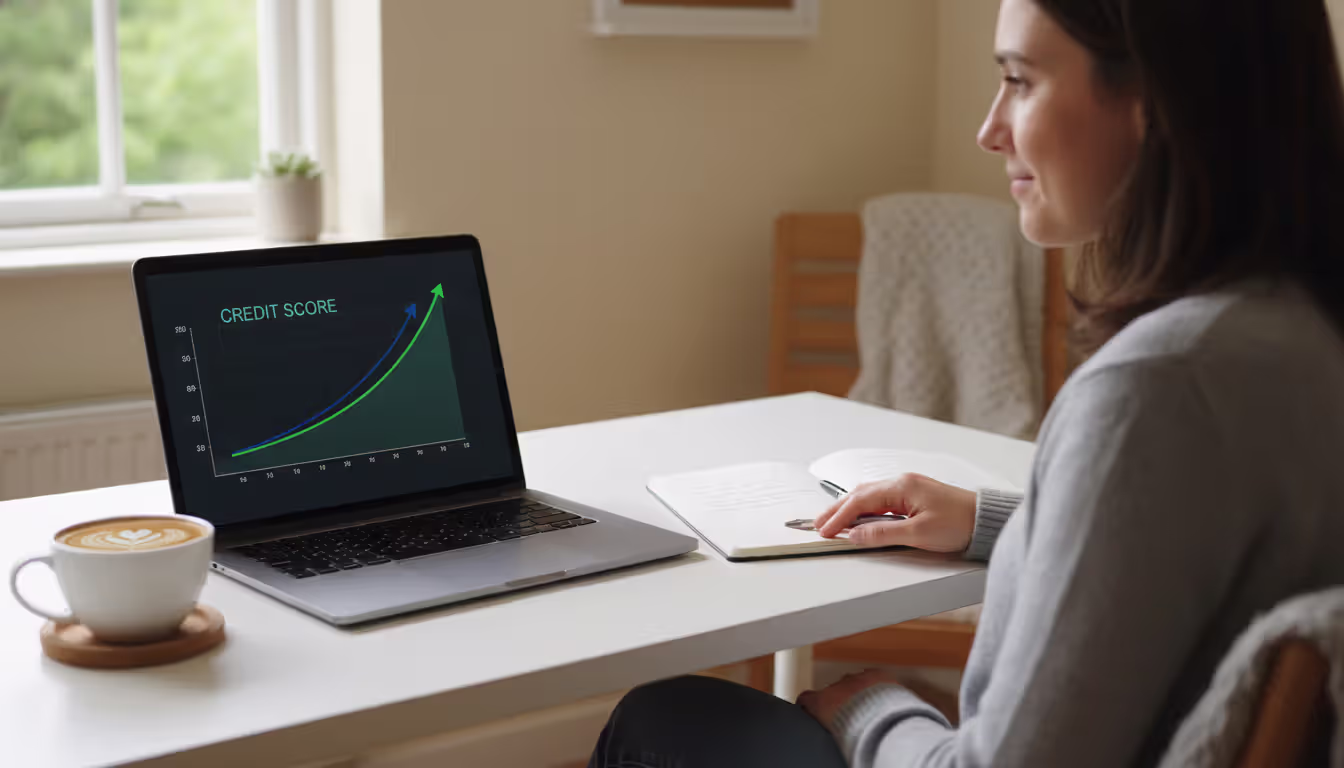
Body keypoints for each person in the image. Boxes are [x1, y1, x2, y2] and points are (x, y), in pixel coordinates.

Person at [587, 0, 1344, 765]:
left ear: (1154, 102)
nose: (989, 130)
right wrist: (997, 521)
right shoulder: (1301, 330)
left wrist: (871, 708)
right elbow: (1183, 552)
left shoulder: (1157, 390)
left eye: (1019, 80)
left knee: (664, 718)